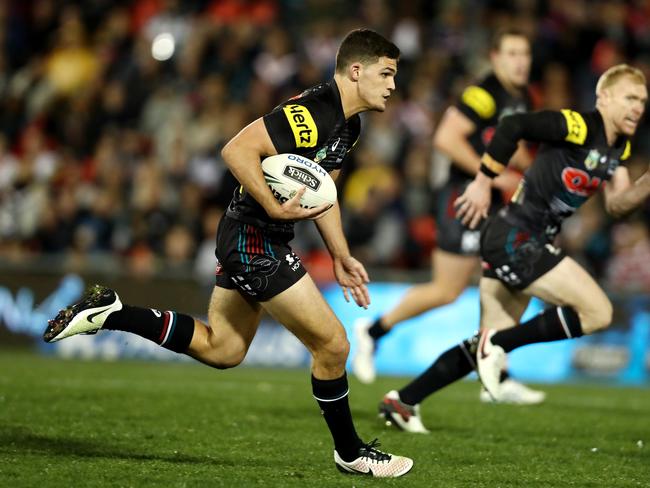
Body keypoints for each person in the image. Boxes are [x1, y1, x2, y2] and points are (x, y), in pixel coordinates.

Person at [43, 29, 413, 478]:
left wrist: (340, 254)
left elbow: (324, 194)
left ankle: (111, 312)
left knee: (224, 349)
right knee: (333, 344)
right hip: (251, 238)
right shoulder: (312, 112)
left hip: (259, 237)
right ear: (356, 71)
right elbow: (236, 149)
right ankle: (350, 452)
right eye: (386, 73)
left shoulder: (349, 126)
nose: (393, 85)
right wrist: (275, 205)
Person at [377, 63, 650, 434]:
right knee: (597, 311)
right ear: (604, 96)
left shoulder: (621, 145)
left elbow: (618, 205)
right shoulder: (579, 125)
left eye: (643, 101)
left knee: (480, 348)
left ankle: (403, 402)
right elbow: (512, 127)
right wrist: (482, 181)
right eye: (631, 97)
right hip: (516, 237)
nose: (638, 106)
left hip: (523, 239)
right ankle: (500, 343)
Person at [352, 28, 545, 405]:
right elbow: (446, 139)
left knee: (503, 282)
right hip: (465, 197)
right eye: (512, 53)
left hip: (495, 199)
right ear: (495, 57)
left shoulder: (521, 97)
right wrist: (493, 175)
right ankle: (372, 331)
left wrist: (535, 172)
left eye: (525, 53)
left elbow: (513, 148)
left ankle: (497, 374)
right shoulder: (483, 94)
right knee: (447, 290)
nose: (520, 61)